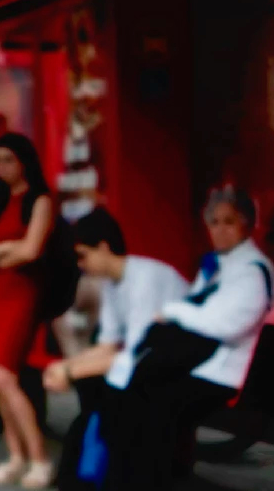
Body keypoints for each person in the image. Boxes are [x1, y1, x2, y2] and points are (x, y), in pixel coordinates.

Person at [102, 184, 274, 491]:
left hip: (229, 371)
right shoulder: (219, 264)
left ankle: (151, 480)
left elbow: (224, 323)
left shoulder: (252, 270)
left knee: (157, 404)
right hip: (205, 363)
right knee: (136, 391)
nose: (220, 230)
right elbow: (199, 308)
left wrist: (173, 311)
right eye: (214, 222)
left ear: (247, 225)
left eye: (229, 222)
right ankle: (138, 478)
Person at [42, 206, 187, 490]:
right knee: (93, 399)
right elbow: (108, 346)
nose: (80, 264)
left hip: (179, 365)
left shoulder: (145, 279)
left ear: (104, 247)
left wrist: (70, 372)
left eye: (83, 255)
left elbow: (135, 354)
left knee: (110, 406)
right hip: (152, 364)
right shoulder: (112, 283)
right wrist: (66, 367)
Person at [0, 133, 55, 488]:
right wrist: (7, 250)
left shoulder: (40, 200)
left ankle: (39, 458)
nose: (2, 167)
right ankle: (16, 456)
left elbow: (32, 250)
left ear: (24, 161)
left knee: (4, 379)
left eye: (9, 159)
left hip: (21, 293)